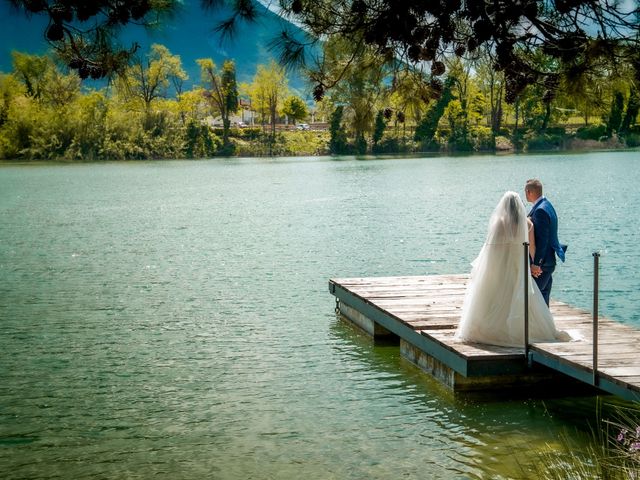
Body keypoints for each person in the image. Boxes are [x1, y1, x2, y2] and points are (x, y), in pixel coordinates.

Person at [455, 191, 570, 347]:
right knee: (518, 294)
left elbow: (491, 248)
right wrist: (535, 266)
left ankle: (493, 329)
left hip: (500, 265)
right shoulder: (527, 224)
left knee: (495, 295)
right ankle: (521, 329)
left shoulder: (498, 223)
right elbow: (532, 248)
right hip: (518, 266)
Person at [525, 179, 566, 306]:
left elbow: (543, 240)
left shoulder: (540, 211)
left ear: (529, 192)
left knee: (532, 300)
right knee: (543, 301)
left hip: (543, 265)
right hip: (549, 261)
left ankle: (535, 326)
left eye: (526, 191)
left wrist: (537, 264)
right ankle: (545, 325)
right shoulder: (547, 205)